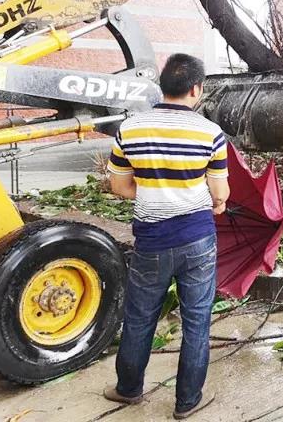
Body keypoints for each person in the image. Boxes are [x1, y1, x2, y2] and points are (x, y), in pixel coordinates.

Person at [103, 53, 229, 420]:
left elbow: (119, 186)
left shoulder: (131, 129)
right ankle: (187, 402)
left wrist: (153, 191)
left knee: (140, 317)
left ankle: (128, 389)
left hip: (151, 242)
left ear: (164, 86)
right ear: (196, 89)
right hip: (197, 240)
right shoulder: (210, 133)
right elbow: (219, 194)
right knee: (197, 321)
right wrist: (214, 202)